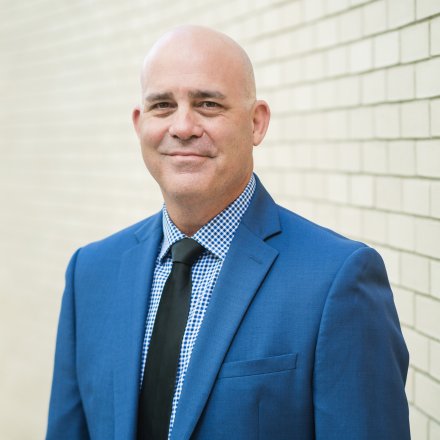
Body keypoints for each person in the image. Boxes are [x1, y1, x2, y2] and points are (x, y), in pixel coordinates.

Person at [46, 25, 410, 440]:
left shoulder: (337, 280)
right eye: (162, 105)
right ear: (139, 123)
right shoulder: (91, 273)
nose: (183, 126)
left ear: (256, 123)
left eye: (208, 104)